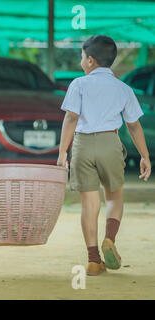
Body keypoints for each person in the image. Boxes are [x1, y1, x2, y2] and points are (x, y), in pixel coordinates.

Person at [57, 35, 151, 276]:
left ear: (90, 60)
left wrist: (62, 153)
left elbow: (71, 118)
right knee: (114, 197)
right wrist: (144, 156)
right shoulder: (124, 88)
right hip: (110, 142)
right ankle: (109, 238)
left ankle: (93, 260)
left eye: (81, 57)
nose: (80, 62)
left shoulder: (78, 84)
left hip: (83, 145)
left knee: (89, 203)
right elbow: (133, 126)